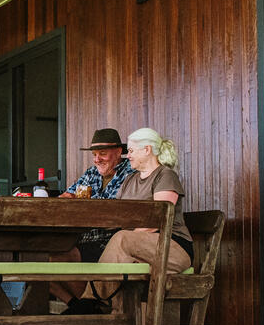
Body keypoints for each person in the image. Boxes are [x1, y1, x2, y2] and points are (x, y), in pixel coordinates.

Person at [82, 127, 194, 308]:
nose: (128, 156)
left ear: (147, 150)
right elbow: (115, 215)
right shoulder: (129, 180)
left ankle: (92, 300)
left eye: (132, 151)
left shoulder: (165, 176)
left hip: (172, 248)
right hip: (142, 249)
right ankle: (109, 316)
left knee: (122, 238)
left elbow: (159, 219)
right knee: (121, 253)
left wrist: (127, 235)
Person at [50, 128, 136, 305]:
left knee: (59, 258)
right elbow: (67, 197)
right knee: (41, 258)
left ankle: (92, 305)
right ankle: (82, 306)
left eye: (102, 154)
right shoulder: (92, 172)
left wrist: (81, 207)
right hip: (83, 237)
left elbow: (117, 213)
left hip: (111, 243)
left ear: (119, 152)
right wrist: (67, 199)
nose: (97, 159)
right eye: (94, 154)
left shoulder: (130, 174)